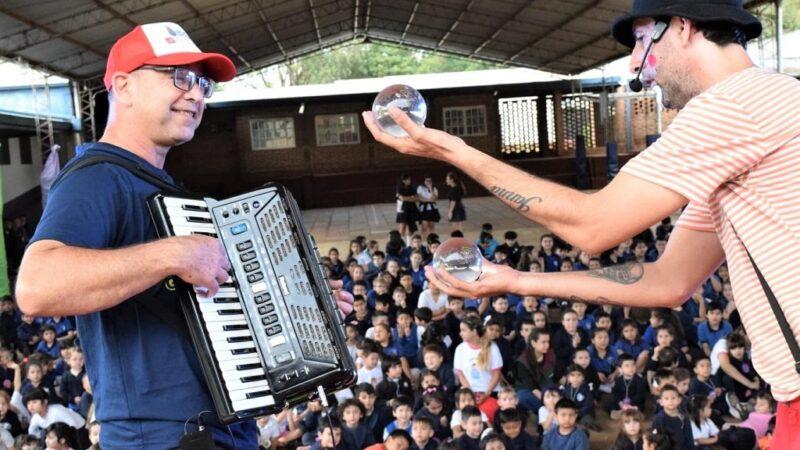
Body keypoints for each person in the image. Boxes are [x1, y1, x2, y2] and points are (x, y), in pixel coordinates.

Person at [363, 0, 800, 444]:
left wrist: (453, 151)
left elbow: (593, 227)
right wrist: (516, 280)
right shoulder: (768, 106)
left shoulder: (734, 105)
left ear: (684, 26)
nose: (635, 62)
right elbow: (670, 280)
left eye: (643, 39)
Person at [13, 22, 259, 449]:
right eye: (179, 77)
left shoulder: (155, 184)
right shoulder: (97, 178)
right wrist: (172, 254)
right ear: (124, 87)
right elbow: (36, 288)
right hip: (159, 436)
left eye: (202, 83)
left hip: (213, 430)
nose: (197, 94)